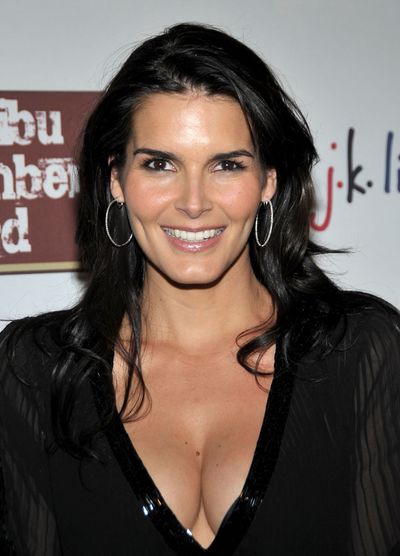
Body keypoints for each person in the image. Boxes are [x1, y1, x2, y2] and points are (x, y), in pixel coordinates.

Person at [0, 22, 399, 556]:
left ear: (269, 180)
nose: (193, 203)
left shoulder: (361, 352)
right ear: (116, 178)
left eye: (227, 165)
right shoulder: (34, 373)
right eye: (160, 164)